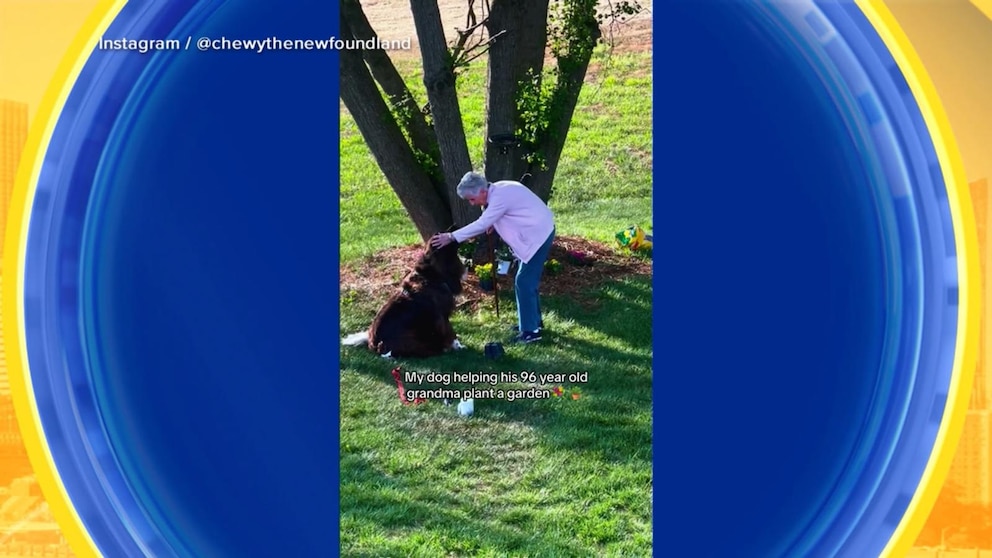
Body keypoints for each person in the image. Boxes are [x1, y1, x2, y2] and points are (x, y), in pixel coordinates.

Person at [430, 171, 555, 344]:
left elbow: (481, 224)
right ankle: (532, 323)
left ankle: (531, 333)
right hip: (538, 230)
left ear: (482, 191)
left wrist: (451, 237)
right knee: (526, 282)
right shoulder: (500, 189)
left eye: (472, 199)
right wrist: (495, 224)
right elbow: (506, 213)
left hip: (538, 235)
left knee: (524, 282)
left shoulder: (499, 197)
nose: (472, 203)